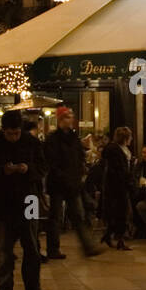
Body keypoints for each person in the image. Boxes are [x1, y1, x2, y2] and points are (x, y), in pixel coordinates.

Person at [0, 109, 48, 290]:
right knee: (4, 249)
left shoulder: (32, 143)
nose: (14, 137)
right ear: (3, 130)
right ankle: (4, 288)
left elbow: (42, 168)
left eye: (17, 133)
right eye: (10, 134)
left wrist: (28, 169)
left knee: (32, 246)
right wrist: (3, 171)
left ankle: (33, 287)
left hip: (30, 199)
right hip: (3, 200)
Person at [44, 107, 101, 259]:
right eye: (67, 117)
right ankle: (53, 249)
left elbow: (79, 157)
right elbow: (52, 162)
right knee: (55, 217)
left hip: (73, 184)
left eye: (71, 116)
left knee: (78, 216)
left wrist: (79, 173)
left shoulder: (73, 138)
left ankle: (88, 247)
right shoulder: (53, 139)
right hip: (58, 184)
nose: (70, 119)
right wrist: (66, 176)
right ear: (60, 119)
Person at [100, 126, 135, 249]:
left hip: (116, 186)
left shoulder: (120, 150)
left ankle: (109, 235)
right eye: (130, 137)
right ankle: (119, 239)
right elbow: (120, 170)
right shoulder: (116, 151)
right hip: (117, 187)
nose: (131, 139)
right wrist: (128, 181)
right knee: (121, 212)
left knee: (118, 212)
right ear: (126, 138)